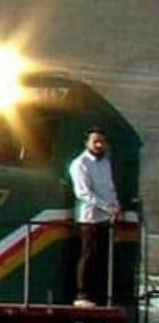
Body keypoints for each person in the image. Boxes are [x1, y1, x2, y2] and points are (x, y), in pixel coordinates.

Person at [68, 128, 120, 307]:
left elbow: (109, 187)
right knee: (88, 255)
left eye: (102, 141)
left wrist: (115, 205)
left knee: (100, 256)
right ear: (87, 142)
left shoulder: (105, 163)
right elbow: (82, 192)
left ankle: (98, 295)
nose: (99, 145)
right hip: (88, 217)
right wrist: (107, 207)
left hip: (105, 217)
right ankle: (82, 295)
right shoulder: (80, 163)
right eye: (95, 141)